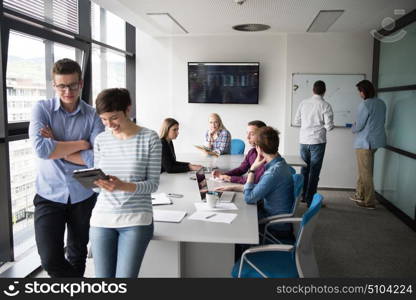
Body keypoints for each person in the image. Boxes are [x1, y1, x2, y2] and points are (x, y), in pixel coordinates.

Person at [29, 58, 104, 277]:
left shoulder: (92, 115)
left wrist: (58, 147)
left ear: (80, 84)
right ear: (54, 86)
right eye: (62, 85)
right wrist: (82, 144)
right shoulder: (41, 109)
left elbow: (97, 158)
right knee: (50, 259)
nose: (67, 90)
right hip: (48, 193)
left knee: (77, 253)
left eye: (72, 85)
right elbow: (42, 150)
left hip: (84, 192)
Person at [89, 88, 161, 278]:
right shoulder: (101, 140)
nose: (109, 124)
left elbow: (153, 184)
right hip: (102, 218)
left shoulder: (149, 138)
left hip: (136, 219)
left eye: (114, 118)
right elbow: (98, 187)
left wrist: (123, 186)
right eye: (104, 120)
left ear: (128, 110)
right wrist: (97, 183)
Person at [216, 127, 294, 224]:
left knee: (235, 216)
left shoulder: (272, 173)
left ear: (259, 148)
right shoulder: (280, 163)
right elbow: (262, 187)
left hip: (272, 223)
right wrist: (235, 187)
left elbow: (249, 198)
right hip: (276, 216)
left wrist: (252, 170)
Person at [294, 80, 334, 207]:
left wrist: (307, 124)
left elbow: (296, 121)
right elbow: (329, 127)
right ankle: (310, 200)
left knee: (304, 170)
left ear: (313, 90)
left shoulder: (303, 103)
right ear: (324, 91)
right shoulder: (325, 105)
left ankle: (302, 197)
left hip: (304, 140)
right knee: (314, 171)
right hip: (318, 141)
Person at [350, 80, 386, 209]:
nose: (359, 94)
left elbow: (359, 126)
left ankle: (369, 201)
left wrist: (352, 127)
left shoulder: (365, 105)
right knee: (363, 170)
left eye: (360, 91)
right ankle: (360, 195)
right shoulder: (381, 103)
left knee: (365, 173)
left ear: (364, 92)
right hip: (376, 142)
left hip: (365, 143)